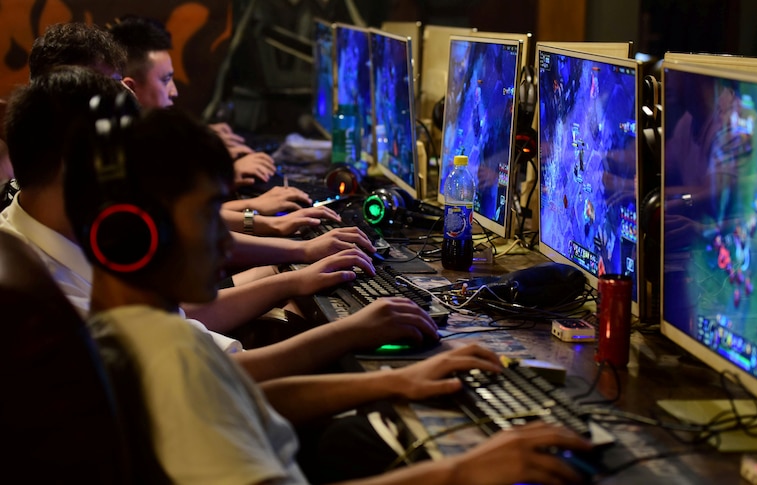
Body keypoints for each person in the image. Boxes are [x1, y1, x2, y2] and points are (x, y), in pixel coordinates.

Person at [63, 94, 592, 484]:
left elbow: (238, 396)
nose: (227, 243)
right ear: (133, 236)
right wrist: (460, 473)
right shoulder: (167, 354)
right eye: (208, 217)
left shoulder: (124, 330)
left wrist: (397, 382)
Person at [1, 64, 438, 381]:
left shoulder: (63, 237)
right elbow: (216, 370)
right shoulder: (37, 293)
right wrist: (350, 333)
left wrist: (294, 275)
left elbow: (186, 326)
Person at [16, 22, 395, 339]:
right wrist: (279, 240)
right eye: (110, 84)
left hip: (185, 331)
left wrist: (283, 247)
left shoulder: (53, 209)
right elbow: (184, 327)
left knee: (291, 285)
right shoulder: (68, 242)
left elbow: (177, 318)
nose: (122, 91)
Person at [107, 15, 325, 237]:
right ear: (129, 88)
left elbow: (191, 214)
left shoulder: (136, 143)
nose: (174, 91)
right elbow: (196, 223)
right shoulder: (120, 159)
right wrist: (261, 215)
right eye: (165, 80)